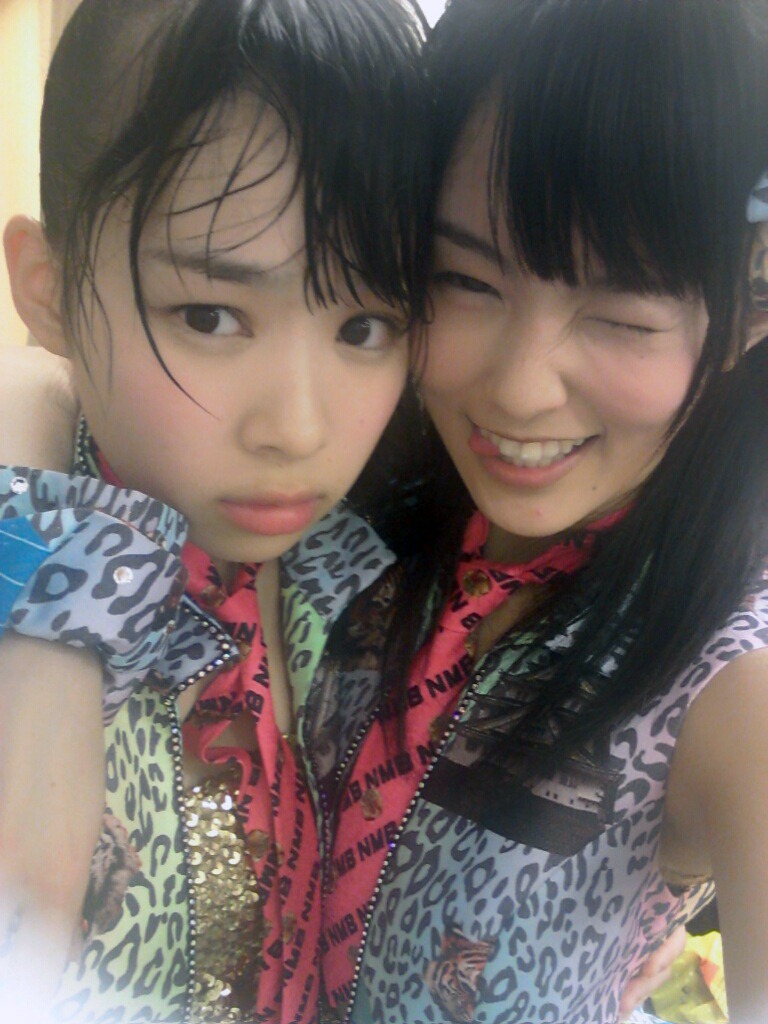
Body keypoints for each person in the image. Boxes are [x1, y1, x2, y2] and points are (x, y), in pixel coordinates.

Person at [313, 1, 768, 1022]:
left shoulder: (732, 684)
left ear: (749, 310)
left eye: (622, 315)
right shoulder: (339, 505)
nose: (519, 389)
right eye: (465, 279)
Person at [0, 0, 431, 1020]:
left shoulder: (377, 568)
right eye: (211, 315)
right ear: (48, 290)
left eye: (366, 327)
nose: (297, 427)